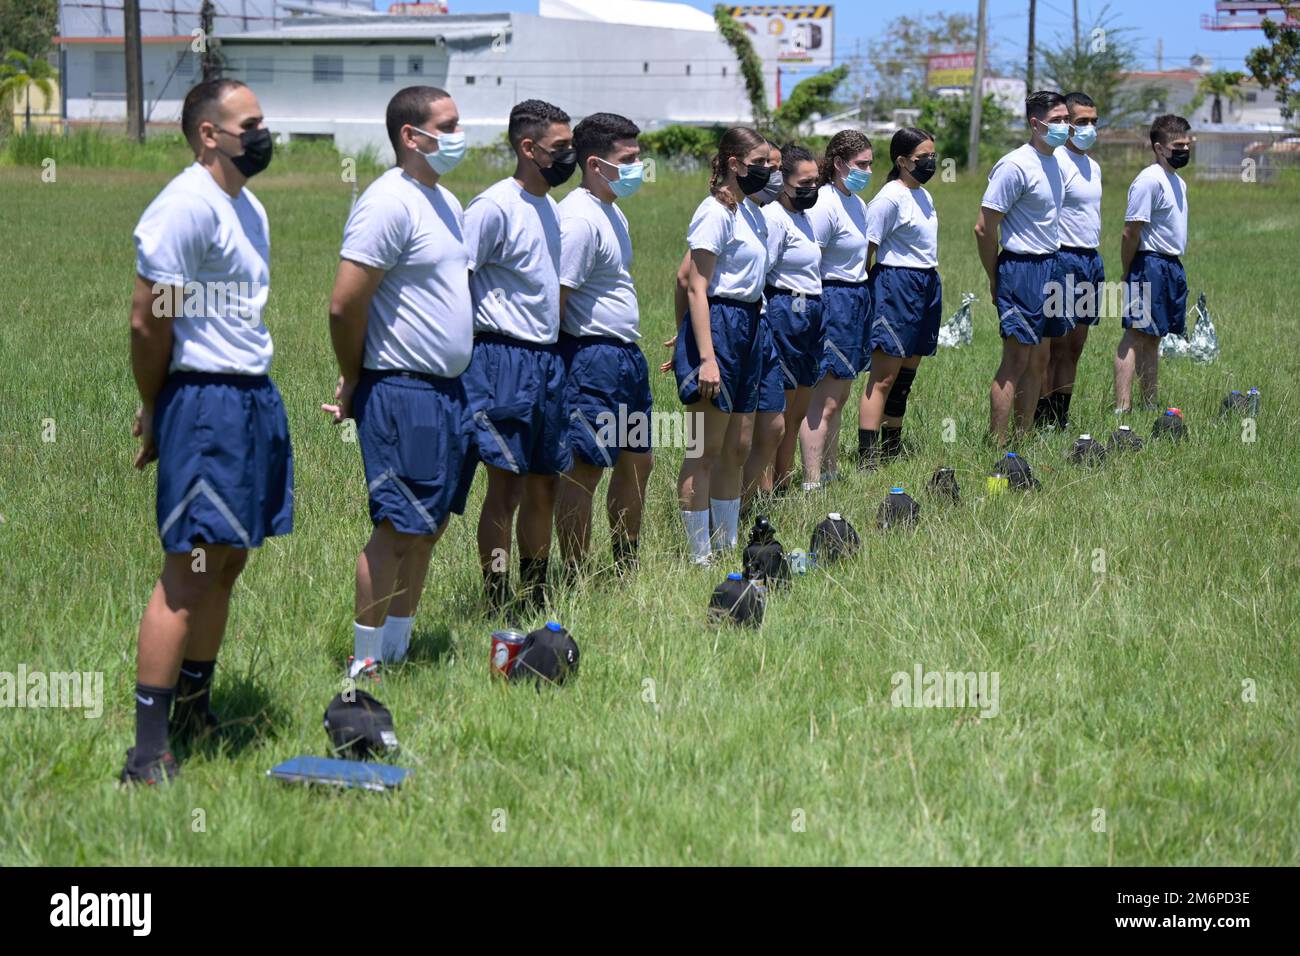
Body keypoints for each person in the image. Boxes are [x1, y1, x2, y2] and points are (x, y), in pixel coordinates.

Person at [124, 79, 291, 783]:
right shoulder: (184, 206)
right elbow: (146, 318)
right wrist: (158, 403)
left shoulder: (247, 207)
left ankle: (195, 704)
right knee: (187, 571)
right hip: (205, 401)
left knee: (227, 559)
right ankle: (147, 749)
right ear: (208, 136)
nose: (262, 133)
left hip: (252, 397)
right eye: (249, 123)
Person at [323, 86, 475, 678]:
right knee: (396, 528)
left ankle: (399, 652)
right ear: (412, 136)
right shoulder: (389, 201)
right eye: (449, 125)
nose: (460, 135)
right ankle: (365, 665)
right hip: (402, 388)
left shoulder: (446, 202)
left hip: (449, 391)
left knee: (430, 527)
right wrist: (355, 376)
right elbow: (344, 304)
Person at [463, 99, 573, 613]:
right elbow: (454, 280)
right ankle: (496, 596)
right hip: (501, 360)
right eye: (560, 149)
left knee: (544, 484)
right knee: (504, 490)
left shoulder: (549, 208)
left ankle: (535, 591)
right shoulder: (492, 207)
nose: (567, 157)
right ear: (528, 148)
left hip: (548, 361)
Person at [552, 112, 654, 578]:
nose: (638, 167)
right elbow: (556, 299)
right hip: (591, 360)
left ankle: (624, 565)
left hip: (625, 358)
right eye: (628, 159)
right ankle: (575, 572)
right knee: (585, 467)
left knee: (638, 462)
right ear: (595, 163)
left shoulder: (613, 210)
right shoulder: (576, 219)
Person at [672, 127, 771, 564]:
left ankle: (727, 544)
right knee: (704, 450)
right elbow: (695, 284)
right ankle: (698, 555)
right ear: (735, 164)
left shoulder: (752, 212)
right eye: (760, 163)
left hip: (751, 324)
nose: (768, 171)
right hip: (721, 324)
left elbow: (685, 275)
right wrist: (703, 354)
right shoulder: (714, 212)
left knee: (738, 447)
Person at [975, 90, 1068, 447]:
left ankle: (1022, 438)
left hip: (1051, 265)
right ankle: (997, 445)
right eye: (1057, 120)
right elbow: (984, 227)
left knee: (1041, 357)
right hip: (1021, 268)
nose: (1064, 127)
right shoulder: (1015, 165)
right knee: (1016, 358)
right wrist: (995, 275)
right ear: (1035, 123)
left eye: (1066, 120)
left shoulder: (1056, 162)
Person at [857, 127, 942, 469]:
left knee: (906, 375)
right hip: (895, 285)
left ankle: (893, 446)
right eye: (924, 158)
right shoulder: (889, 197)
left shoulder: (923, 195)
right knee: (884, 376)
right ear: (903, 161)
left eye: (934, 157)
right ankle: (867, 457)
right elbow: (867, 249)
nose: (931, 163)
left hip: (925, 284)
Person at [803, 129, 873, 488]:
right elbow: (808, 260)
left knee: (841, 395)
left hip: (856, 298)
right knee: (824, 399)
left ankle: (830, 469)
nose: (868, 171)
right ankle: (812, 479)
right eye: (861, 164)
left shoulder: (857, 204)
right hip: (832, 300)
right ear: (839, 164)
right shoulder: (823, 203)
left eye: (871, 164)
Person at [1115, 114, 1192, 412]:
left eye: (1187, 143)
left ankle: (1149, 404)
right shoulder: (1149, 180)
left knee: (1155, 336)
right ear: (1159, 148)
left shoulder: (1178, 182)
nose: (1184, 150)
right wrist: (1128, 270)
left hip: (1171, 265)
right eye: (1178, 145)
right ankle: (1122, 407)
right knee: (1135, 334)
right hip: (1149, 264)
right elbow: (1130, 230)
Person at [1037, 90, 1103, 430]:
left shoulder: (1093, 166)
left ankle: (1060, 418)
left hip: (1090, 261)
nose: (1089, 128)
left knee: (1076, 346)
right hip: (1062, 260)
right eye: (1080, 122)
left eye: (1093, 122)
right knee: (1054, 346)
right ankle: (1041, 417)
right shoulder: (1056, 160)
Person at [759, 143, 823, 492]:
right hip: (786, 309)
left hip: (811, 310)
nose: (812, 189)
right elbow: (764, 273)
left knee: (798, 408)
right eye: (804, 182)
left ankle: (784, 481)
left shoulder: (804, 216)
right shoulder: (774, 217)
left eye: (816, 181)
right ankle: (766, 486)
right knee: (779, 412)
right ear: (783, 181)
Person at [741, 138, 788, 507]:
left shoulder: (760, 213)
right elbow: (689, 278)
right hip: (732, 324)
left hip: (760, 322)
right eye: (769, 166)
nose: (775, 175)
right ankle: (734, 509)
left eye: (778, 167)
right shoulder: (726, 211)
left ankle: (759, 496)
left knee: (773, 424)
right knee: (730, 437)